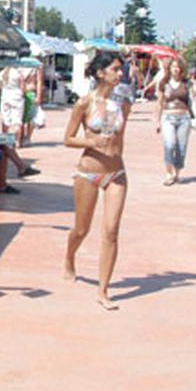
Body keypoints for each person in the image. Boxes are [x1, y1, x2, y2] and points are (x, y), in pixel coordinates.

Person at [63, 52, 131, 310]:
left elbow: (121, 137)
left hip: (117, 173)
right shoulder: (84, 103)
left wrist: (117, 157)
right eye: (115, 69)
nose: (120, 74)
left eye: (121, 69)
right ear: (101, 73)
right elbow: (68, 138)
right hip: (88, 172)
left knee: (111, 230)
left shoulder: (123, 103)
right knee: (82, 229)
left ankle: (103, 289)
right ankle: (70, 255)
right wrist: (91, 141)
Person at [155, 59, 194, 185]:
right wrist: (157, 120)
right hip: (168, 117)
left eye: (178, 67)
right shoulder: (164, 83)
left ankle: (177, 173)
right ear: (169, 69)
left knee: (181, 147)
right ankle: (169, 173)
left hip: (184, 117)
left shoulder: (186, 83)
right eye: (173, 67)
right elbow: (159, 102)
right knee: (170, 144)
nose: (176, 69)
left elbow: (192, 99)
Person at [0, 66, 29, 143]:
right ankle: (17, 142)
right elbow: (23, 87)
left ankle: (4, 140)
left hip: (5, 95)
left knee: (5, 120)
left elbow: (0, 86)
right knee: (17, 121)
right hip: (16, 95)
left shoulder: (1, 73)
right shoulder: (18, 73)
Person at [22, 67, 44, 145]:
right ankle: (21, 137)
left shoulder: (36, 67)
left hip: (30, 93)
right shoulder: (19, 65)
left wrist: (38, 96)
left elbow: (39, 82)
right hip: (21, 94)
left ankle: (27, 137)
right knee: (21, 117)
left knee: (31, 117)